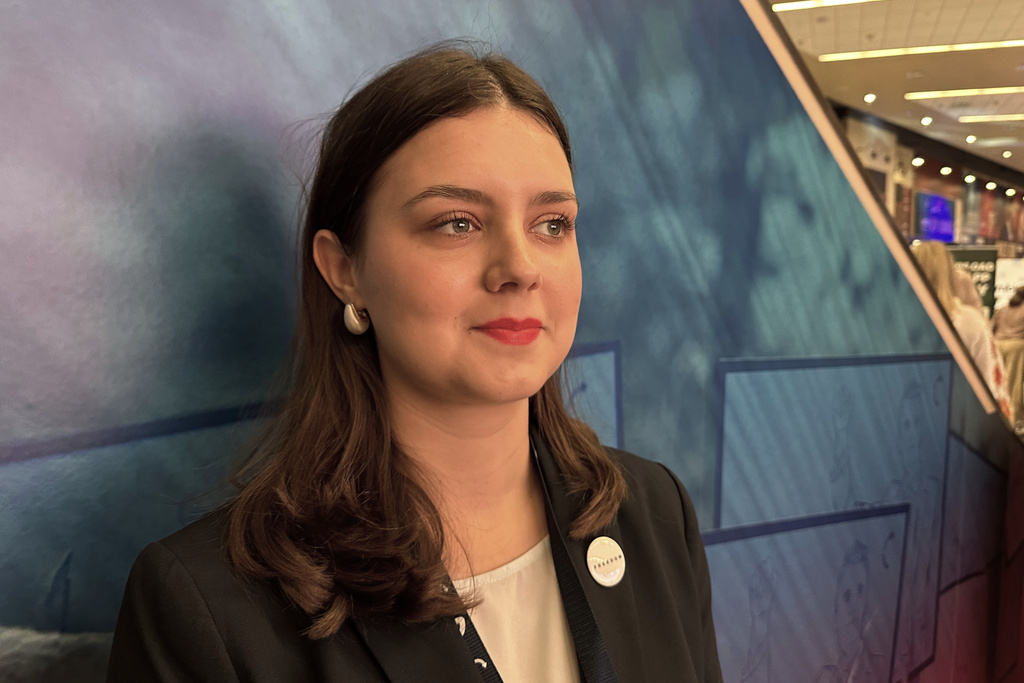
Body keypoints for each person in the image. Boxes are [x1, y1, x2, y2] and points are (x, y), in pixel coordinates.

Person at [106, 44, 722, 683]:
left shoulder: (655, 514)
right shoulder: (204, 607)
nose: (520, 267)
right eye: (457, 223)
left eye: (552, 224)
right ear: (345, 271)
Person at [911, 240, 1012, 422]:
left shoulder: (901, 322)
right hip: (959, 420)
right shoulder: (968, 320)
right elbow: (986, 384)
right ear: (951, 272)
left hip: (914, 416)